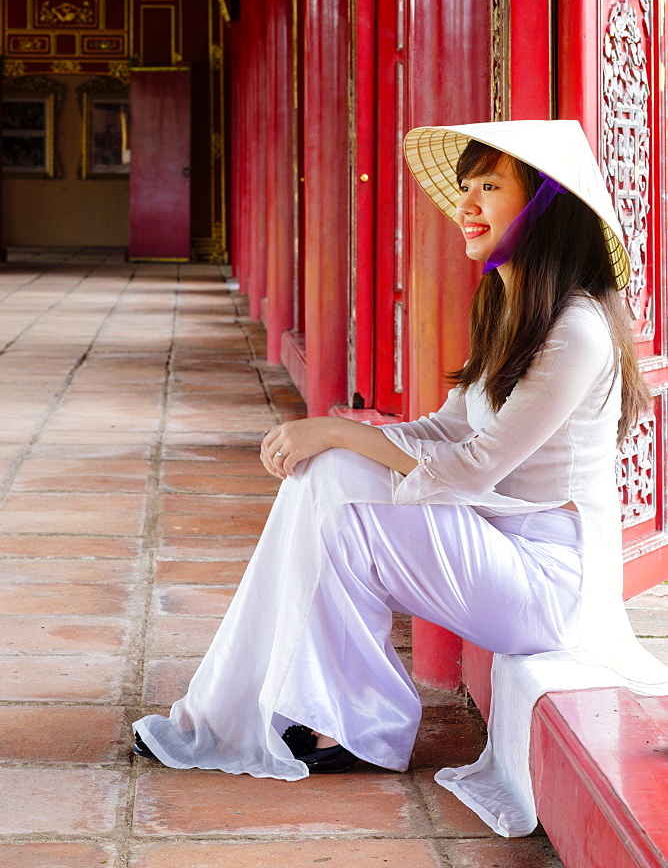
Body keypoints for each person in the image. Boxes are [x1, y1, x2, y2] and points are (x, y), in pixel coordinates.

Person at [133, 120, 668, 837]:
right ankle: (324, 718)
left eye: (490, 187)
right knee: (329, 478)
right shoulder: (511, 309)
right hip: (498, 548)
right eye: (466, 186)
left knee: (339, 474)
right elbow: (446, 430)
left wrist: (336, 431)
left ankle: (331, 718)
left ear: (544, 205)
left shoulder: (575, 330)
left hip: (551, 587)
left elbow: (474, 466)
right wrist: (336, 440)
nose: (467, 204)